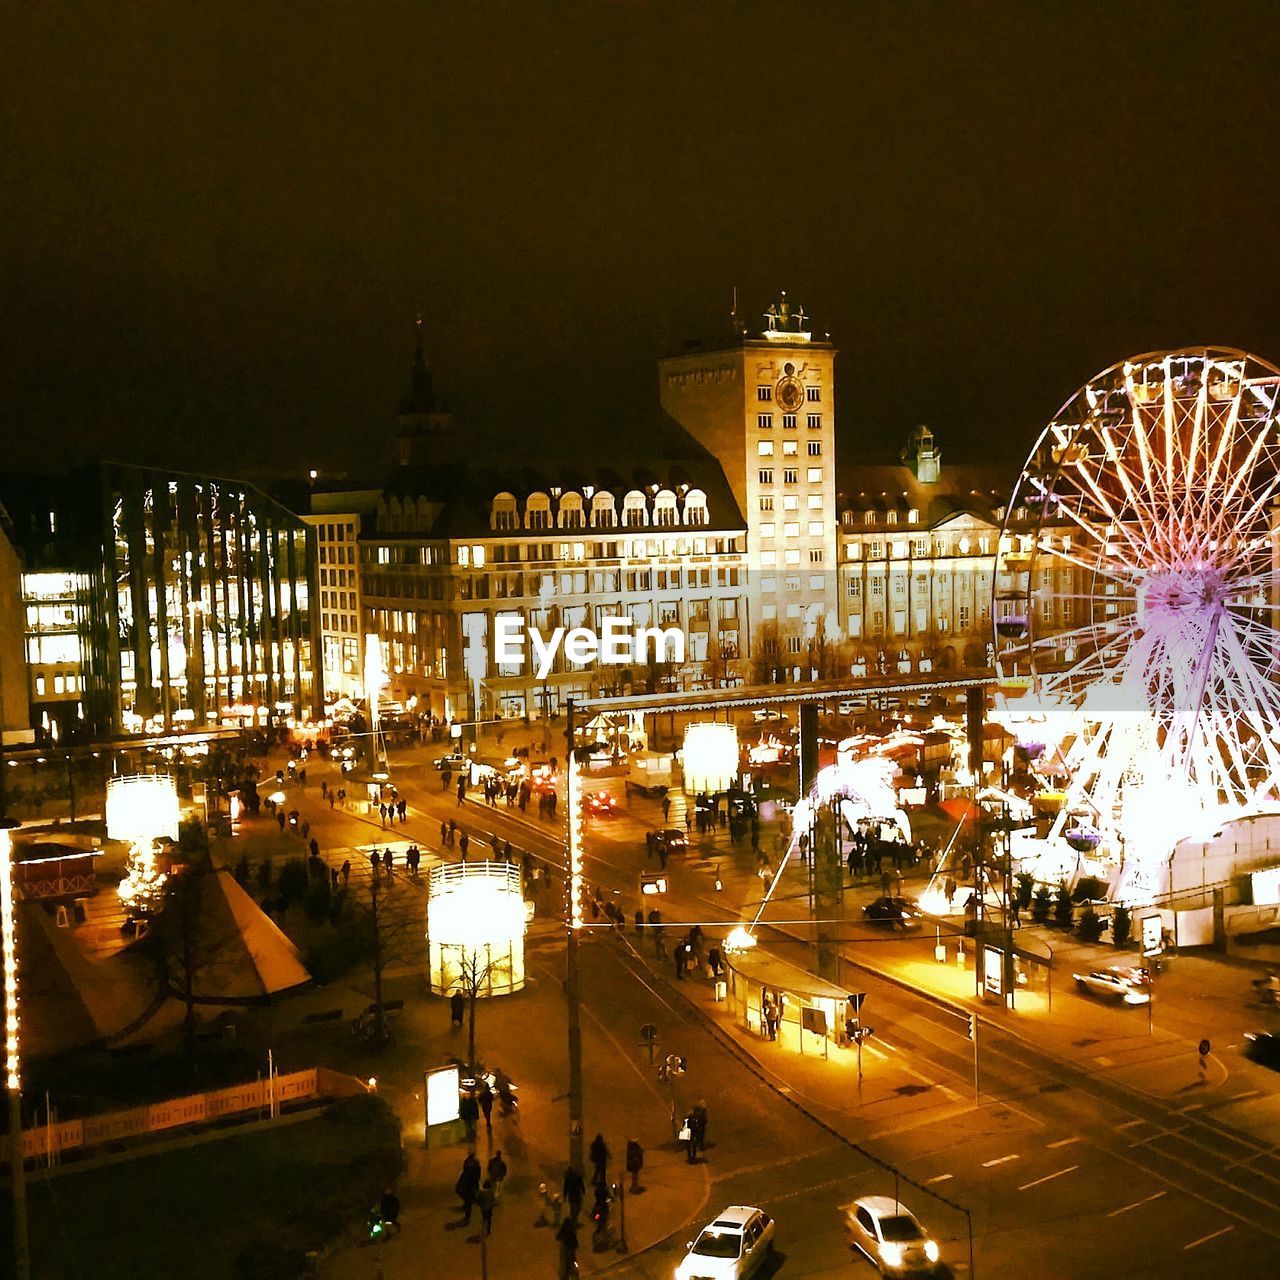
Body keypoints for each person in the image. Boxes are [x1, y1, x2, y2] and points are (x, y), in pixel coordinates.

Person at [456, 1152, 482, 1223]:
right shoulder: (475, 1162)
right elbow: (479, 1171)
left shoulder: (467, 1162)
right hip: (472, 1184)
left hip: (468, 1188)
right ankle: (472, 1204)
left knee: (468, 1203)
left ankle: (467, 1215)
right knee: (469, 1202)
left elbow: (464, 1169)